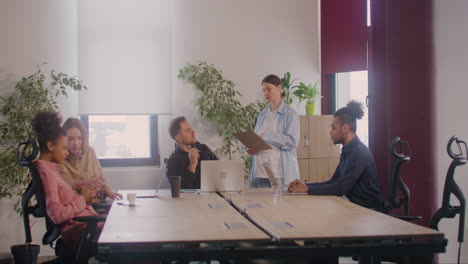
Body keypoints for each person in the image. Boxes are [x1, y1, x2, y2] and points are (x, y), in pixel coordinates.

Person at [288, 101, 384, 211]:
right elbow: (333, 182)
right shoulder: (348, 150)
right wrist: (304, 185)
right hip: (354, 206)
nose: (330, 132)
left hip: (368, 210)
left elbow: (340, 188)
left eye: (333, 128)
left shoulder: (358, 153)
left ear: (345, 128)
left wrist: (307, 189)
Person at [32, 111, 102, 243]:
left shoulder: (50, 170)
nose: (66, 152)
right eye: (64, 147)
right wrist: (83, 199)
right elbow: (57, 215)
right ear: (51, 146)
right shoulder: (47, 174)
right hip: (82, 228)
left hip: (87, 224)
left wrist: (84, 194)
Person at [248, 74, 300, 188]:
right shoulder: (262, 114)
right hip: (260, 171)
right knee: (261, 204)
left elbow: (293, 141)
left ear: (279, 88)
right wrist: (251, 147)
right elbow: (257, 137)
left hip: (279, 172)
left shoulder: (290, 113)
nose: (266, 93)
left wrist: (267, 135)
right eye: (264, 90)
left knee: (280, 205)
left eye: (269, 89)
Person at [57, 117, 122, 201]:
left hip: (99, 200)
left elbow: (100, 179)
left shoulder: (89, 152)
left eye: (79, 138)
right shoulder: (60, 159)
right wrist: (83, 184)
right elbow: (67, 186)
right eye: (70, 139)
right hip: (80, 204)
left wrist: (108, 191)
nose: (75, 143)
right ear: (64, 139)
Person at [166, 116, 218, 189]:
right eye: (188, 130)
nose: (193, 132)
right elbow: (182, 189)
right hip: (192, 200)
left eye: (191, 129)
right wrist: (192, 165)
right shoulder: (173, 162)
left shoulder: (203, 148)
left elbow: (219, 169)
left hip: (213, 195)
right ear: (178, 138)